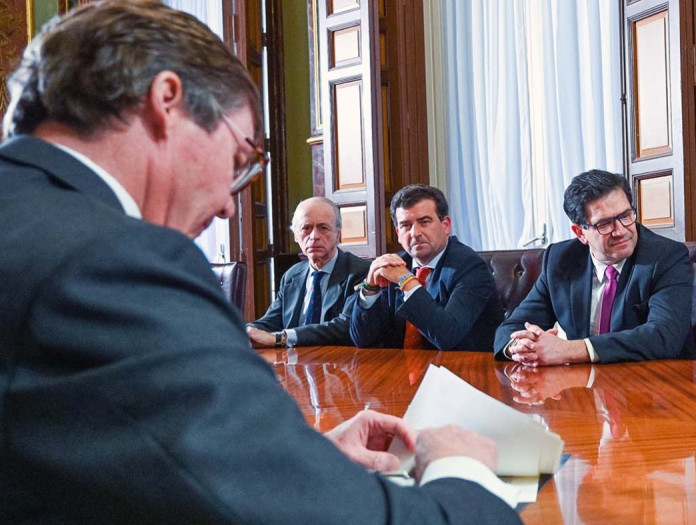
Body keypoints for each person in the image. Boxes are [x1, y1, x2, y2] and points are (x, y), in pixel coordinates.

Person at [0, 2, 519, 523]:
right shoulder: (117, 261)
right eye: (237, 160)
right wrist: (464, 473)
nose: (229, 203)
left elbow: (82, 458)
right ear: (166, 101)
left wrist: (291, 461)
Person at [494, 169, 694, 365]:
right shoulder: (560, 259)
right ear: (580, 232)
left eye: (626, 216)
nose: (621, 231)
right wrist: (521, 347)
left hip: (655, 384)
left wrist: (570, 350)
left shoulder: (666, 257)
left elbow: (664, 336)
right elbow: (512, 326)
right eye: (605, 224)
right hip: (585, 385)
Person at [349, 184, 504, 350]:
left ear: (445, 225)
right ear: (398, 233)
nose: (415, 233)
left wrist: (407, 281)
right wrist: (370, 289)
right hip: (400, 371)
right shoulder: (395, 265)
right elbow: (362, 340)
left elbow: (447, 335)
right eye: (406, 225)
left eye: (424, 222)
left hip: (461, 370)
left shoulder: (471, 267)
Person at [246, 197, 370, 348]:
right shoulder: (292, 275)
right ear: (295, 236)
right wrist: (244, 331)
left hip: (339, 365)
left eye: (323, 228)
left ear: (338, 234)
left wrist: (282, 338)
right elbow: (272, 321)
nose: (314, 236)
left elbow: (345, 326)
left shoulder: (360, 272)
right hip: (294, 364)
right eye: (306, 228)